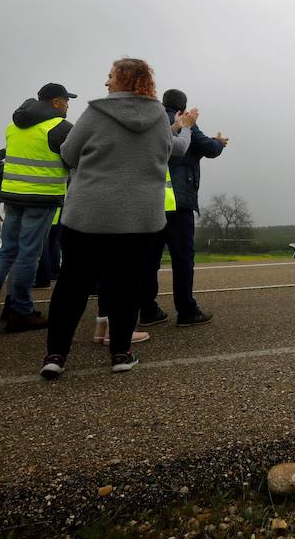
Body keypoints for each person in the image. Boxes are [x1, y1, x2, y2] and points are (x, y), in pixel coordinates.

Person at [40, 57, 193, 379]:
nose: (106, 82)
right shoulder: (157, 117)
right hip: (139, 217)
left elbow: (68, 154)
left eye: (110, 77)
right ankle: (121, 353)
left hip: (89, 213)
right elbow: (174, 151)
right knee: (126, 285)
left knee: (72, 284)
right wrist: (185, 129)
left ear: (123, 81)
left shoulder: (96, 113)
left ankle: (56, 355)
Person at [0, 83, 76, 333]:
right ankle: (20, 310)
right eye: (66, 101)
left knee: (8, 251)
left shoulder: (14, 125)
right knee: (29, 254)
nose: (68, 105)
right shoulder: (60, 127)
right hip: (41, 198)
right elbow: (73, 159)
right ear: (56, 102)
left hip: (13, 197)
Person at [143, 88, 228, 327]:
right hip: (179, 202)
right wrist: (219, 142)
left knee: (150, 260)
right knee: (182, 259)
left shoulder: (152, 122)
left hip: (151, 201)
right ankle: (187, 311)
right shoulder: (184, 122)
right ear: (182, 108)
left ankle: (147, 309)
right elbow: (208, 148)